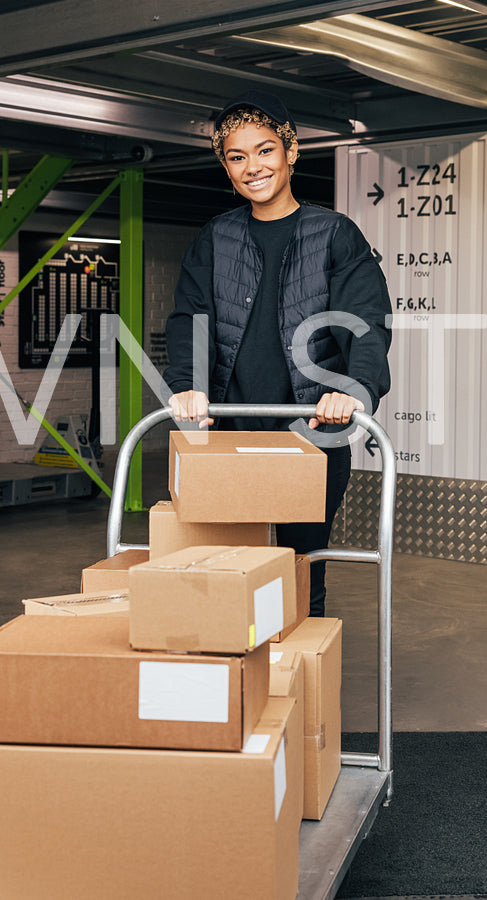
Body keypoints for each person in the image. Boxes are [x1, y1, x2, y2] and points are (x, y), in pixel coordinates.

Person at [164, 90, 392, 618]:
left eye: (264, 150)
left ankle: (294, 681)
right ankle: (237, 680)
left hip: (309, 434)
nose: (252, 167)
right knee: (225, 568)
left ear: (291, 152)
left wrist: (350, 391)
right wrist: (186, 384)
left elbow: (364, 321)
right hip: (229, 430)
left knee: (298, 568)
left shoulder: (334, 234)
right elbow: (189, 318)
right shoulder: (216, 236)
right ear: (226, 167)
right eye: (236, 157)